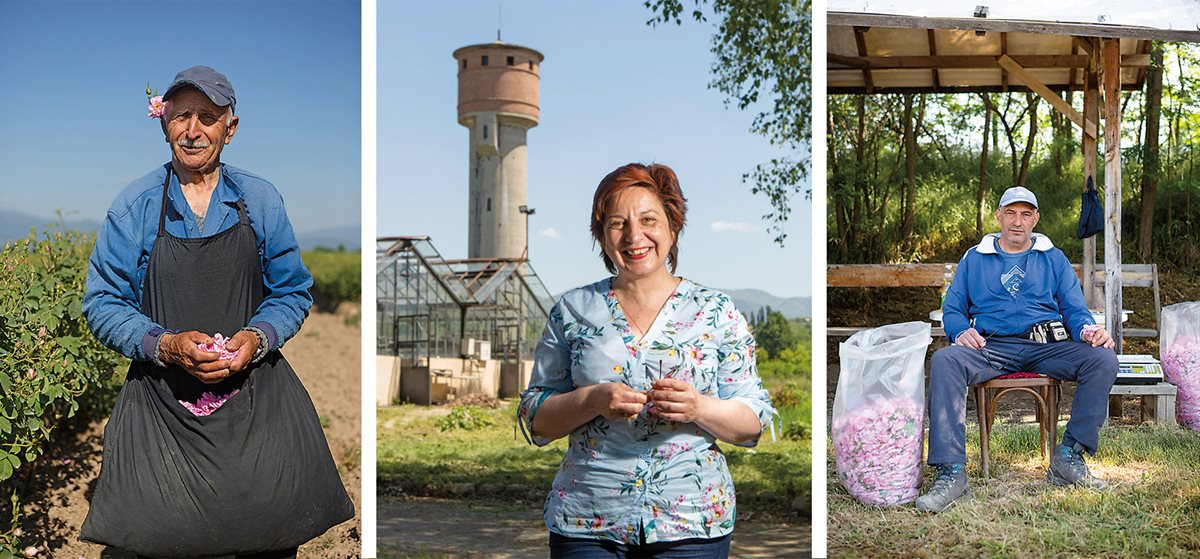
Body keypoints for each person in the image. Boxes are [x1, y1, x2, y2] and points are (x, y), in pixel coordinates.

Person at [80, 66, 353, 557]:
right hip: (161, 398)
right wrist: (164, 344)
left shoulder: (259, 199)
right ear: (163, 122)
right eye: (181, 115)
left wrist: (257, 337)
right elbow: (101, 301)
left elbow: (292, 292)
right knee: (154, 535)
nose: (193, 129)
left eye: (208, 117)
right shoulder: (136, 206)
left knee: (267, 528)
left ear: (231, 128)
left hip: (254, 395)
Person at [517, 163, 775, 557]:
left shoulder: (717, 312)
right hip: (587, 519)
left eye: (649, 220)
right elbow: (536, 419)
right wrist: (593, 400)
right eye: (617, 224)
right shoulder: (572, 310)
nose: (634, 236)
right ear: (602, 238)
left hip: (692, 519)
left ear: (673, 226)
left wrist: (698, 406)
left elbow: (752, 423)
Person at [915, 186, 1118, 513]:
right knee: (945, 360)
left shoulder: (1052, 257)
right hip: (992, 346)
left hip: (1047, 346)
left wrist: (1086, 329)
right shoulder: (974, 258)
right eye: (1010, 213)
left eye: (1025, 214)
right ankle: (952, 473)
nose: (1017, 222)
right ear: (998, 216)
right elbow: (952, 309)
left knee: (1103, 358)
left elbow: (1074, 309)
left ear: (1035, 219)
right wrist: (960, 330)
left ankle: (1068, 458)